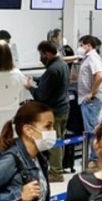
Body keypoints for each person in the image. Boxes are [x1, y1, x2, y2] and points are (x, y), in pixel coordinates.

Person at [0, 101, 54, 201]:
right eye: (48, 126)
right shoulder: (11, 160)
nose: (52, 131)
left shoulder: (40, 159)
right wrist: (17, 196)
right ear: (28, 130)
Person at [32, 39, 71, 173]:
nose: (41, 58)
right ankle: (59, 167)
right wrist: (37, 80)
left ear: (47, 53)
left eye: (41, 54)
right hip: (64, 107)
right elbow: (48, 81)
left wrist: (30, 87)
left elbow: (41, 95)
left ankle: (56, 172)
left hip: (54, 111)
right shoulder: (62, 64)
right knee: (60, 140)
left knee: (53, 142)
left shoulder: (53, 69)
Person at [76, 35, 102, 147]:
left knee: (92, 130)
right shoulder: (87, 57)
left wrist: (91, 93)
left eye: (81, 45)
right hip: (87, 99)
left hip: (91, 100)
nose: (80, 48)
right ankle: (92, 157)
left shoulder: (93, 57)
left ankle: (94, 158)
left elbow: (99, 76)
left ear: (88, 45)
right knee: (90, 129)